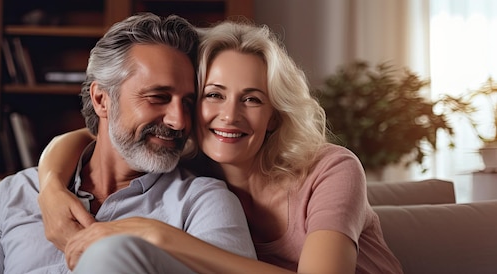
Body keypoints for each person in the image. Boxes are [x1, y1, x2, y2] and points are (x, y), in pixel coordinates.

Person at [38, 19, 404, 273]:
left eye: (253, 99)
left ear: (275, 115)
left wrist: (158, 235)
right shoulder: (192, 168)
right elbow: (95, 136)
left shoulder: (330, 169)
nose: (229, 116)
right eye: (214, 95)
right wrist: (51, 187)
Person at [0, 13, 257, 273]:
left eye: (188, 102)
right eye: (158, 98)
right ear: (102, 99)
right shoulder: (14, 195)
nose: (179, 121)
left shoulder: (202, 203)